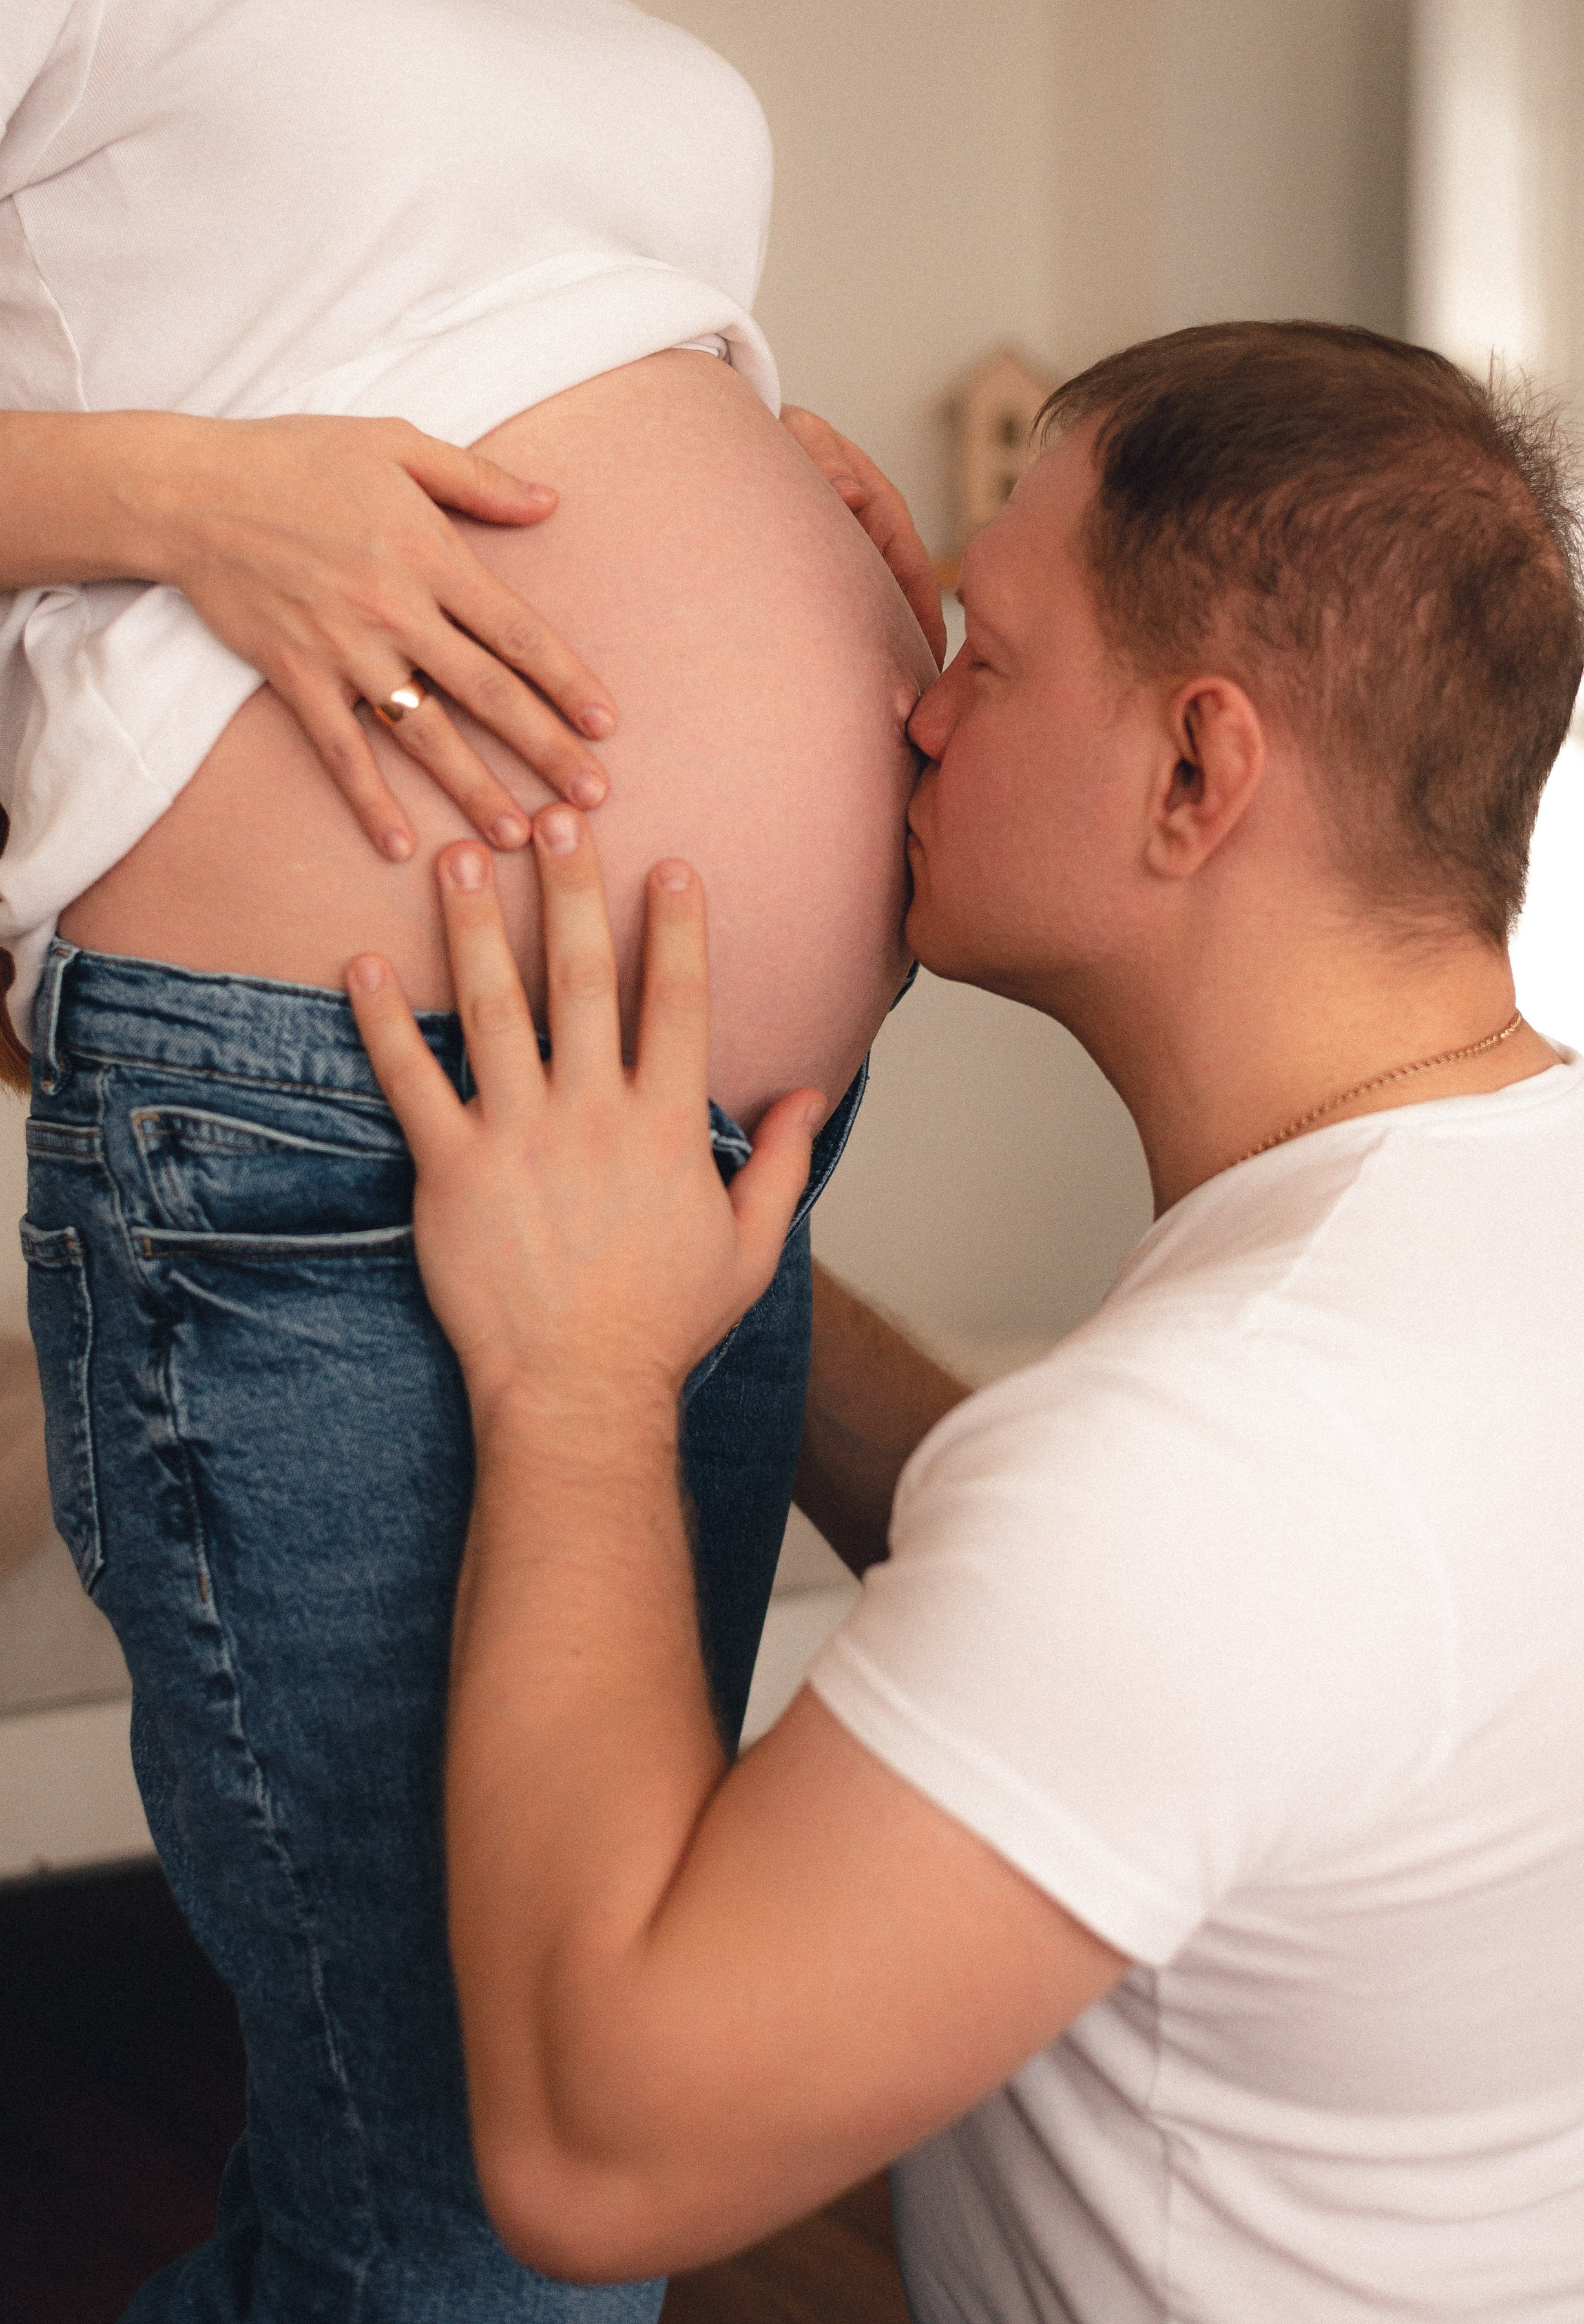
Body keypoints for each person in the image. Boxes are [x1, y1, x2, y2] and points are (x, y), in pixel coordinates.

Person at [0, 0, 941, 2316]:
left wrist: (768, 468)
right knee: (496, 2209)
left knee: (519, 2147)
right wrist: (197, 499)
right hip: (330, 1119)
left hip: (674, 1130)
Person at [350, 321, 1584, 2322]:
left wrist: (574, 1384)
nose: (915, 718)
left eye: (984, 657)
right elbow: (1155, 1631)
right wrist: (656, 1244)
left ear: (1195, 769)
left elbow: (598, 2144)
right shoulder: (1471, 1254)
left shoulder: (1233, 1452)